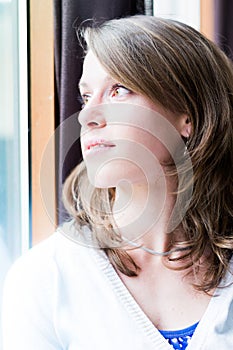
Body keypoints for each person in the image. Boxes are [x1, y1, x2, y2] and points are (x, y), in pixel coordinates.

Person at [2, 15, 233, 350]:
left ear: (187, 116)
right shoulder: (44, 280)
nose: (86, 116)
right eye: (85, 97)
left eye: (119, 90)